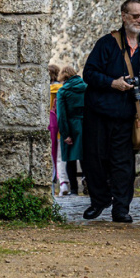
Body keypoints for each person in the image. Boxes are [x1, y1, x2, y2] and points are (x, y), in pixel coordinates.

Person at [81, 0, 140, 223]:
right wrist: (112, 83)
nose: (139, 20)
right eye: (135, 15)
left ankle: (121, 207)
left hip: (128, 115)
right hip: (99, 112)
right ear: (124, 16)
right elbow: (88, 73)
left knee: (123, 162)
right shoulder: (107, 43)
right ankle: (99, 201)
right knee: (95, 159)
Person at [56, 66, 87, 196]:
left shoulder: (63, 91)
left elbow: (61, 115)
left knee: (69, 159)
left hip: (70, 125)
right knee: (86, 157)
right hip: (85, 125)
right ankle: (88, 181)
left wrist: (65, 133)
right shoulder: (86, 88)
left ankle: (74, 189)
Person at [48, 65, 64, 194]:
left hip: (49, 121)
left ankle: (52, 179)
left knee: (50, 153)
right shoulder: (62, 89)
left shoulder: (47, 89)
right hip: (61, 122)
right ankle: (62, 181)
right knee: (59, 153)